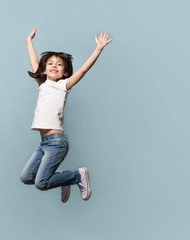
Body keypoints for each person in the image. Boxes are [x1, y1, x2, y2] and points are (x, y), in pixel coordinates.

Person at [20, 28, 112, 202]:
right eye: (50, 63)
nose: (54, 65)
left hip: (57, 142)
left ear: (65, 73)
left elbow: (83, 70)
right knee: (26, 178)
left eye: (59, 64)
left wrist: (98, 49)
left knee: (42, 183)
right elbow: (34, 61)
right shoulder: (43, 84)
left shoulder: (63, 86)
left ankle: (77, 176)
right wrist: (28, 41)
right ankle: (64, 180)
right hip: (44, 144)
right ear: (44, 69)